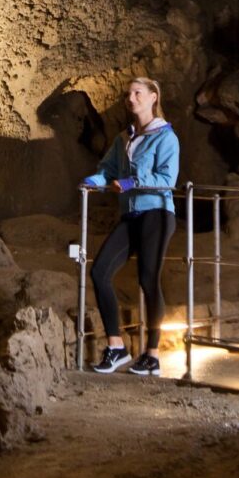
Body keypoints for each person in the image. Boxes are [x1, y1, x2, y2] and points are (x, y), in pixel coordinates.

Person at [81, 76, 180, 375]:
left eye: (137, 93)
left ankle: (152, 354)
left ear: (153, 97)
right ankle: (117, 347)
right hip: (131, 215)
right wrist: (92, 182)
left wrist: (134, 182)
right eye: (128, 94)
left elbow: (167, 179)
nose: (131, 98)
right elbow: (107, 170)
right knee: (99, 272)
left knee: (148, 278)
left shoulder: (166, 137)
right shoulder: (124, 138)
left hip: (157, 213)